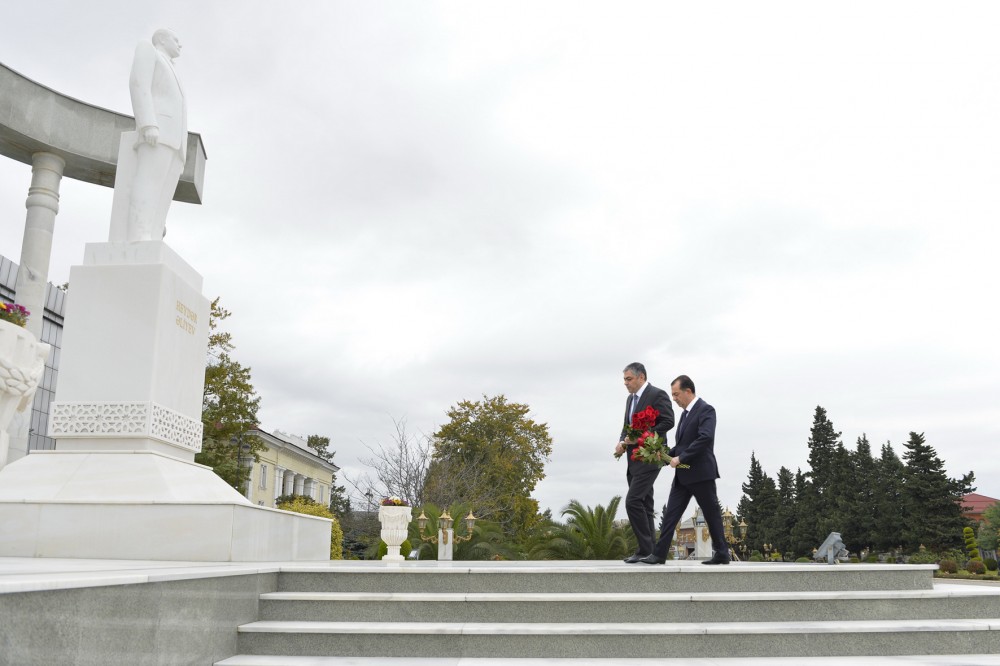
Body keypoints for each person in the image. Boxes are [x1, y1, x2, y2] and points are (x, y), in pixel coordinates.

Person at [640, 375, 731, 565]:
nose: (674, 398)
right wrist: (664, 455)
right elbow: (682, 445)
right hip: (683, 475)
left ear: (688, 391)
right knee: (670, 514)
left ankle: (722, 553)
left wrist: (680, 458)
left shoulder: (706, 410)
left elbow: (705, 438)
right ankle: (659, 555)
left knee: (711, 514)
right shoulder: (685, 414)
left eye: (676, 394)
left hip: (701, 474)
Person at [126, 28, 187, 242]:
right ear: (162, 39)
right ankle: (138, 234)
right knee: (148, 183)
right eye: (176, 38)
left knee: (164, 194)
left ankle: (152, 237)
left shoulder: (172, 67)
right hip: (157, 130)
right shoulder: (148, 51)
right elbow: (138, 84)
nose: (180, 44)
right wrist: (148, 123)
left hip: (174, 140)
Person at [615, 362, 674, 563]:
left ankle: (644, 549)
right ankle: (652, 553)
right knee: (645, 504)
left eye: (628, 379)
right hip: (633, 459)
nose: (625, 383)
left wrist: (640, 436)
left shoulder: (657, 395)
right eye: (624, 379)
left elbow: (668, 421)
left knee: (632, 501)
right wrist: (622, 442)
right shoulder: (629, 400)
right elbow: (627, 426)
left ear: (641, 377)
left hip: (651, 456)